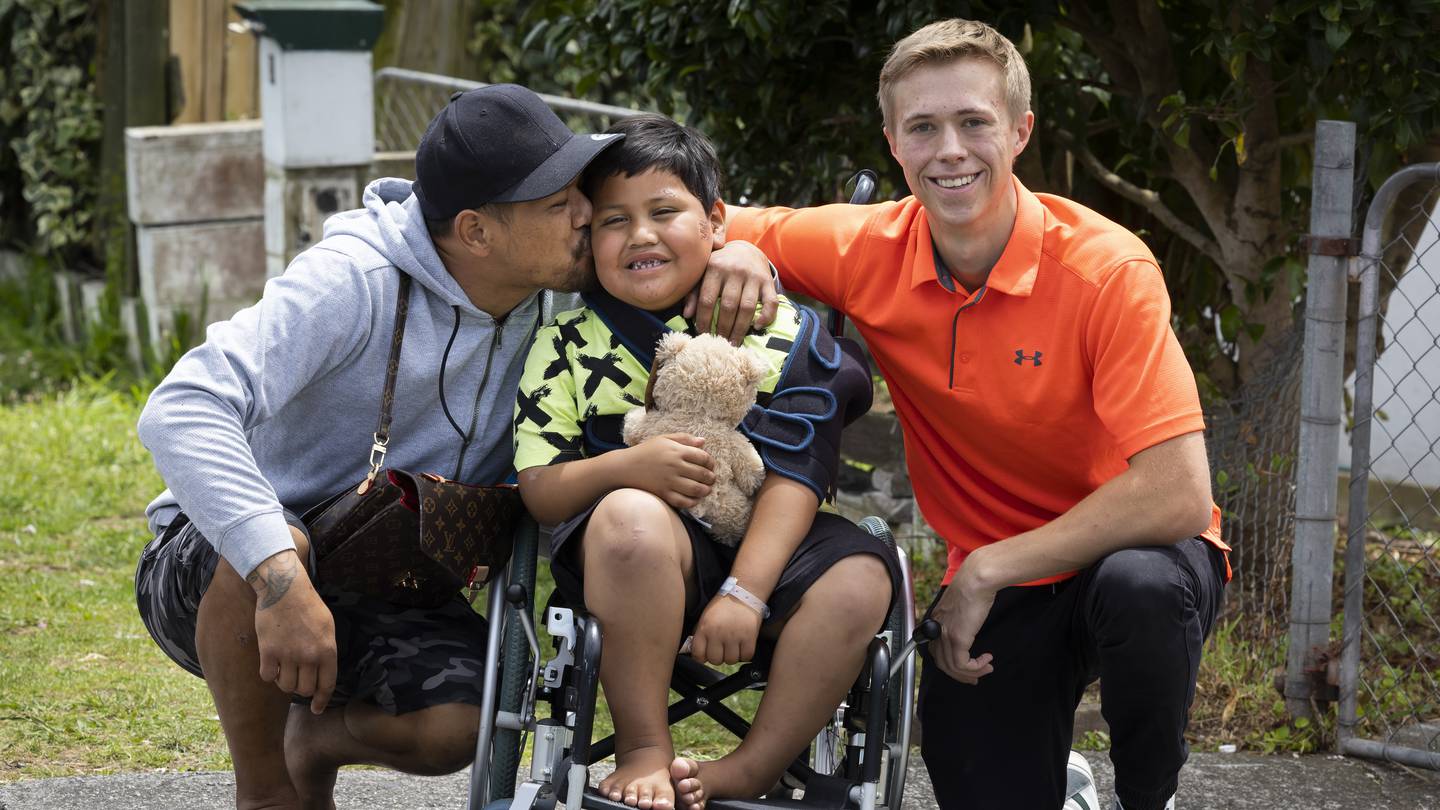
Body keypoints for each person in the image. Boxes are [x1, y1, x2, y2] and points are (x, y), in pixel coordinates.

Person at [133, 85, 772, 810]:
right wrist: (277, 573)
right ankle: (268, 790)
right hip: (222, 571)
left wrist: (752, 251)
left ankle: (312, 741)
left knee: (460, 726)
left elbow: (677, 230)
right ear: (476, 232)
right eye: (557, 202)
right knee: (276, 537)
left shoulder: (565, 276)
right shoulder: (353, 280)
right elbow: (180, 406)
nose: (586, 214)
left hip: (392, 569)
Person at [725, 19, 1230, 810]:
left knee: (1141, 590)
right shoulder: (865, 248)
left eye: (974, 123)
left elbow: (1177, 494)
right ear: (894, 142)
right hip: (1008, 590)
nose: (949, 150)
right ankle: (1058, 778)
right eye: (923, 127)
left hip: (1127, 553)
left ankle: (1147, 797)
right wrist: (743, 251)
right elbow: (694, 220)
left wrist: (987, 567)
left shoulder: (1107, 270)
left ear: (1020, 130)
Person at [512, 114, 900, 810]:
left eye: (664, 212)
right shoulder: (564, 344)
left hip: (777, 547)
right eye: (612, 221)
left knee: (863, 578)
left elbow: (798, 472)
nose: (640, 236)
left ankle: (753, 766)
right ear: (587, 238)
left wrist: (746, 592)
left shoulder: (776, 326)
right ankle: (643, 747)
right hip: (637, 561)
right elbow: (541, 494)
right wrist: (624, 469)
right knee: (628, 516)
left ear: (716, 221)